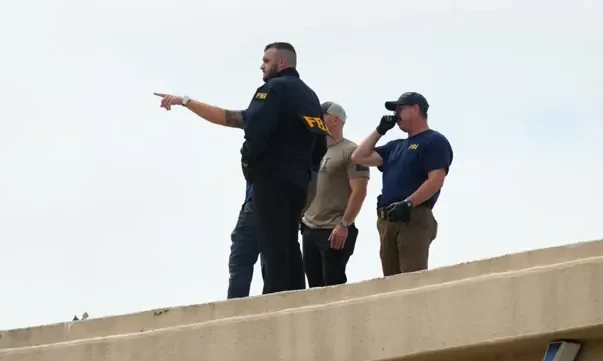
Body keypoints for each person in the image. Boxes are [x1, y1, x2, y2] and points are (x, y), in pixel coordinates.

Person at [155, 42, 327, 295]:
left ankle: (275, 300)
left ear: (281, 63)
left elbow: (254, 127)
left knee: (272, 244)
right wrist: (186, 101)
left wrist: (248, 161)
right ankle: (295, 298)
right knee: (289, 242)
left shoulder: (273, 88)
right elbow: (319, 145)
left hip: (272, 179)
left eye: (266, 60)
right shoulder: (310, 96)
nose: (261, 65)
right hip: (299, 181)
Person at [151, 84, 266, 299]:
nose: (262, 66)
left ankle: (237, 312)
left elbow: (223, 117)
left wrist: (184, 100)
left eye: (267, 62)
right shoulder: (293, 131)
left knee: (247, 256)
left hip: (261, 201)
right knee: (272, 257)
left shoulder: (263, 121)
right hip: (280, 203)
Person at [350, 92, 453, 276]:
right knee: (391, 282)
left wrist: (408, 203)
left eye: (400, 109)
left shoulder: (434, 141)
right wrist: (380, 130)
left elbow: (436, 180)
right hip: (388, 219)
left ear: (415, 109)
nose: (396, 116)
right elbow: (359, 157)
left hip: (413, 216)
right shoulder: (394, 146)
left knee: (411, 279)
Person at [300, 101, 370, 287]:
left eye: (322, 115)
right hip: (309, 227)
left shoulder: (352, 151)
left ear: (336, 120)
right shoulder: (313, 150)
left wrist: (344, 224)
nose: (317, 118)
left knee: (333, 285)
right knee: (314, 288)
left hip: (334, 230)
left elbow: (360, 191)